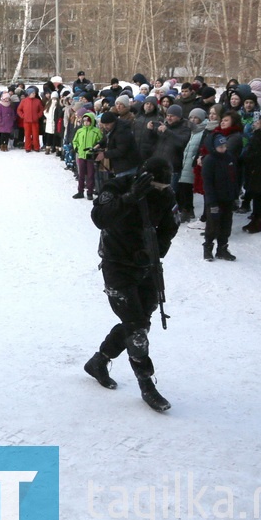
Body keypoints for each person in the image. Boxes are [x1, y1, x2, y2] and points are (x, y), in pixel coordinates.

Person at [84, 157, 179, 412]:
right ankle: (147, 384)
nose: (161, 190)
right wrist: (129, 198)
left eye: (163, 187)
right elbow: (100, 218)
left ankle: (99, 360)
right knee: (136, 328)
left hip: (145, 265)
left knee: (140, 322)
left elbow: (170, 228)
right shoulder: (118, 187)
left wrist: (155, 251)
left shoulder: (166, 194)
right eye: (156, 186)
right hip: (116, 263)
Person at [202, 133, 239, 261]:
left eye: (225, 146)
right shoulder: (209, 160)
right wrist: (211, 201)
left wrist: (235, 196)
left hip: (228, 198)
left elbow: (234, 178)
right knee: (213, 224)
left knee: (226, 224)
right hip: (214, 199)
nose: (223, 149)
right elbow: (207, 182)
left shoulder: (230, 158)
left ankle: (222, 248)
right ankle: (207, 248)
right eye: (220, 147)